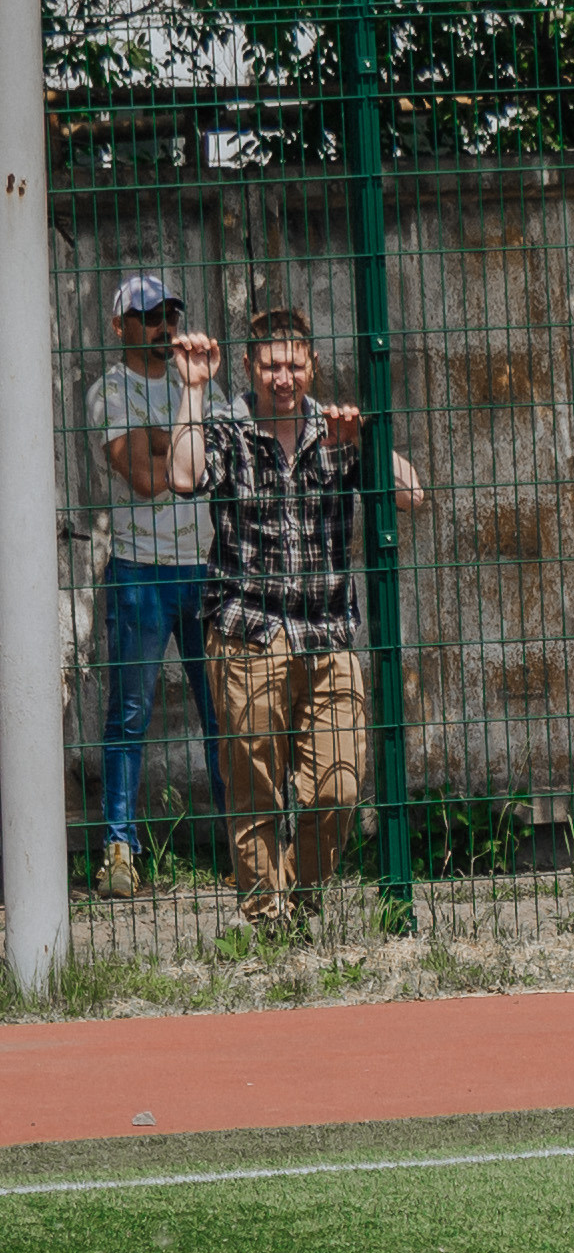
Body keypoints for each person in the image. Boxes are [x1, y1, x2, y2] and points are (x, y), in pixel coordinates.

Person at [165, 305, 429, 937]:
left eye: (294, 365)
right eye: (270, 366)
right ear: (248, 366)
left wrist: (365, 440)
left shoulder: (332, 431)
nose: (283, 378)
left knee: (338, 787)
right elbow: (183, 476)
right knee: (254, 791)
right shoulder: (227, 427)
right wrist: (194, 388)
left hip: (327, 635)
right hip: (246, 633)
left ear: (312, 365)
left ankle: (299, 895)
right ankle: (269, 925)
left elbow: (412, 494)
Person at [86, 269, 230, 902]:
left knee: (223, 711)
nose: (163, 327)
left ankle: (243, 846)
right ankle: (119, 852)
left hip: (204, 567)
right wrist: (184, 444)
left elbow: (222, 459)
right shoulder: (108, 393)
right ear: (120, 326)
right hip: (139, 571)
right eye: (148, 317)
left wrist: (161, 440)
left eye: (170, 314)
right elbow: (148, 480)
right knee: (129, 716)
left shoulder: (197, 384)